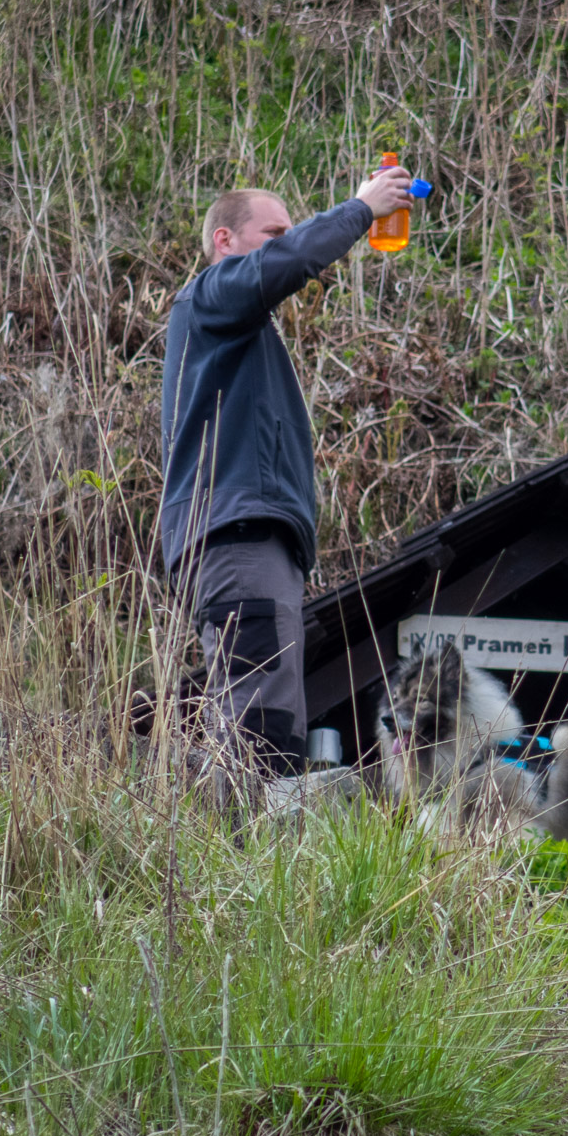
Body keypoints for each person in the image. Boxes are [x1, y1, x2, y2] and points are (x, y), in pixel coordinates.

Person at [160, 165, 415, 785]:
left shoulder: (237, 332)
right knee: (260, 721)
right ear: (226, 241)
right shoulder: (214, 294)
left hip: (246, 539)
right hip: (242, 538)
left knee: (262, 711)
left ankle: (230, 857)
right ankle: (240, 866)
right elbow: (284, 265)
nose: (287, 240)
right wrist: (362, 209)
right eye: (273, 232)